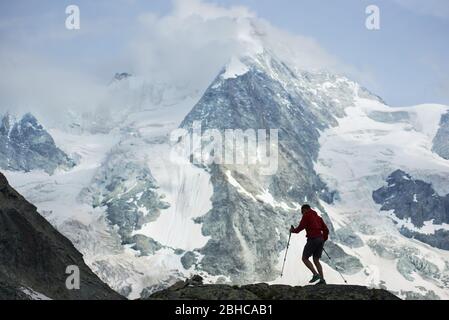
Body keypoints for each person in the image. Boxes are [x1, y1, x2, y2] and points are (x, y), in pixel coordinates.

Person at [290, 204, 329, 285]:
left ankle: (315, 274)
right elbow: (326, 229)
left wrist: (293, 230)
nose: (302, 214)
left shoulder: (306, 215)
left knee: (304, 258)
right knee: (316, 260)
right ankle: (322, 280)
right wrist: (323, 239)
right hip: (320, 239)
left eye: (302, 212)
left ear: (304, 209)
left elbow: (300, 228)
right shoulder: (318, 217)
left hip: (313, 239)